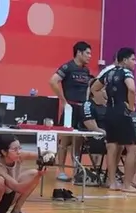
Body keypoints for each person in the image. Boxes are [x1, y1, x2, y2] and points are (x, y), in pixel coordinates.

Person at [89, 48, 136, 193]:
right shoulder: (126, 73)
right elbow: (132, 89)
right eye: (133, 59)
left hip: (109, 112)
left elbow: (94, 88)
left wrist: (103, 100)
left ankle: (112, 183)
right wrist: (131, 107)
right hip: (122, 112)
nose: (135, 62)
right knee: (132, 148)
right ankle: (127, 185)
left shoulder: (109, 73)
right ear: (124, 60)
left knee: (112, 147)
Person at [50, 41, 96, 181]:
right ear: (79, 53)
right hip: (70, 109)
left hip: (82, 109)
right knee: (65, 141)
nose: (90, 56)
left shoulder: (86, 71)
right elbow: (53, 81)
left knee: (78, 141)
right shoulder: (67, 67)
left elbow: (88, 89)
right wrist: (63, 101)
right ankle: (61, 170)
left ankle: (77, 170)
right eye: (87, 53)